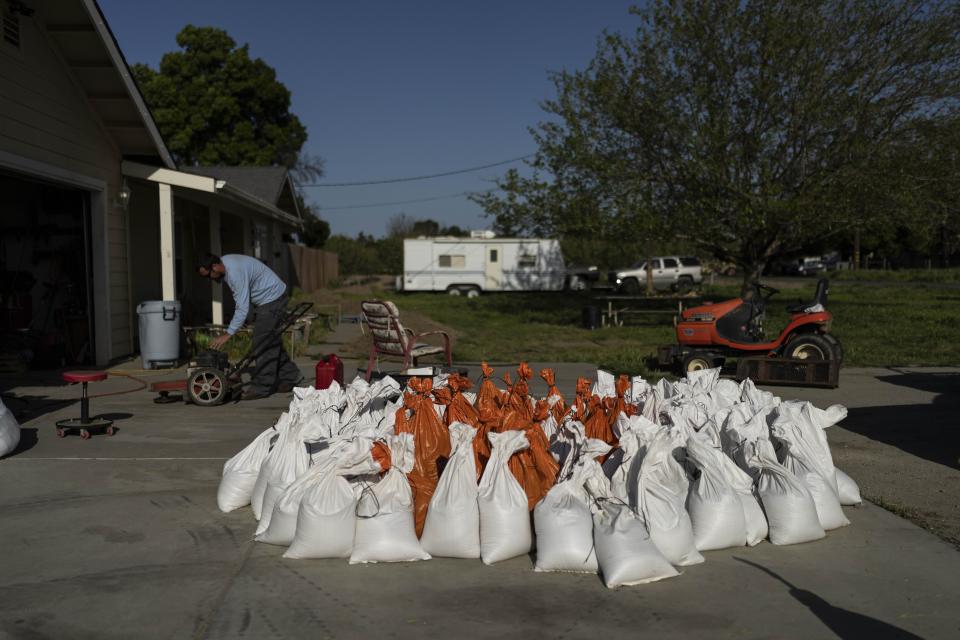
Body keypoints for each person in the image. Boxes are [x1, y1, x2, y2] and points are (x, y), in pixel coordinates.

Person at [197, 252, 302, 400]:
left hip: (272, 299)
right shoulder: (226, 263)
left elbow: (242, 307)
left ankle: (262, 387)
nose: (209, 280)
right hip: (271, 298)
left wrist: (229, 333)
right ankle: (290, 376)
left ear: (215, 267)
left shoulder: (235, 274)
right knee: (271, 341)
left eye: (208, 276)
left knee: (262, 344)